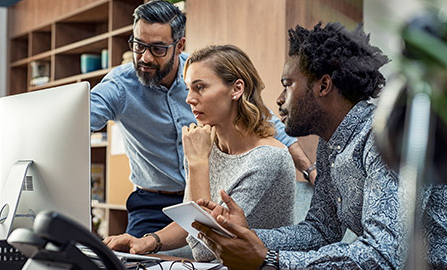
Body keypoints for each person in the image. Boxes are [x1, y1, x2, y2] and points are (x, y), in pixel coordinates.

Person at [192, 22, 408, 269]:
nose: (280, 99)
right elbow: (321, 231)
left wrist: (270, 261)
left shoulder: (385, 137)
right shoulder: (330, 147)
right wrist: (247, 236)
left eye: (287, 84)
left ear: (323, 86)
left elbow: (382, 256)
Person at [90, 0, 314, 238]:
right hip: (152, 202)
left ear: (179, 46)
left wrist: (310, 170)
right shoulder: (119, 86)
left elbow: (269, 124)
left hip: (208, 195)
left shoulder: (202, 71)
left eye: (157, 49)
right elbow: (77, 122)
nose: (145, 57)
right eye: (138, 45)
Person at [103, 44, 296, 262]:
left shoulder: (267, 157)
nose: (189, 99)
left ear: (236, 89)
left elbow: (205, 248)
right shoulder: (205, 145)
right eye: (188, 89)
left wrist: (197, 163)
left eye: (200, 87)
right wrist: (148, 241)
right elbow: (190, 222)